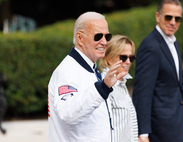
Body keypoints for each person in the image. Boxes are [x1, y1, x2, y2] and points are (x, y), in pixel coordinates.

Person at [48, 12, 126, 142]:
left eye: (107, 36)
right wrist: (103, 88)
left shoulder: (91, 68)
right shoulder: (67, 71)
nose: (104, 42)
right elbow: (68, 114)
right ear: (80, 38)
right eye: (98, 36)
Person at [132, 0, 183, 142]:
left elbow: (181, 83)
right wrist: (142, 133)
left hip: (177, 125)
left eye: (177, 19)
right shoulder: (150, 46)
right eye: (169, 17)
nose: (173, 22)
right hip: (160, 131)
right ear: (158, 16)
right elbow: (142, 92)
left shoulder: (173, 42)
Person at [100, 35, 138, 142]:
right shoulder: (105, 85)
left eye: (131, 58)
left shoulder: (121, 83)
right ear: (109, 58)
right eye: (123, 57)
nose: (128, 62)